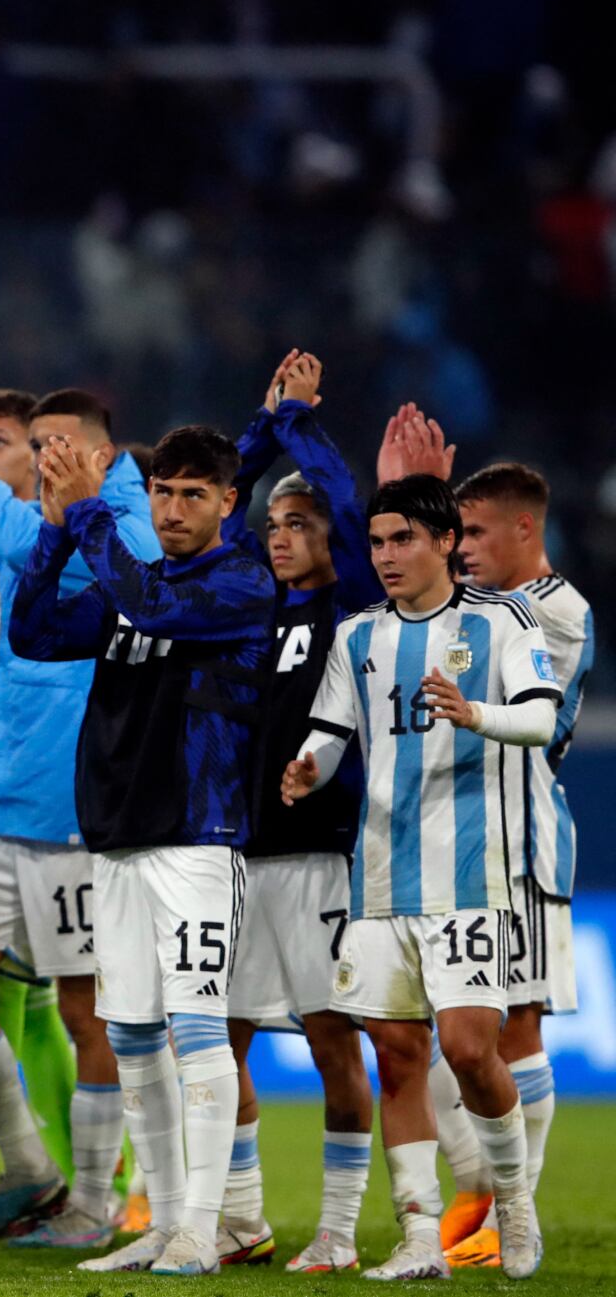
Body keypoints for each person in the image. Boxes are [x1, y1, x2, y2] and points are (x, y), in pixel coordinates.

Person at [11, 424, 275, 1275]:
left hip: (197, 838)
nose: (172, 509)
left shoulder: (240, 580)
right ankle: (163, 1222)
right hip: (117, 840)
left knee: (197, 1030)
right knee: (129, 1034)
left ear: (230, 502)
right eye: (162, 491)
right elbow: (37, 631)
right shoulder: (139, 582)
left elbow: (158, 611)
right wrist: (55, 527)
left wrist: (91, 512)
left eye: (194, 494)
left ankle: (205, 1225)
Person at [283, 473, 558, 1281]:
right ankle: (418, 1236)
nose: (387, 555)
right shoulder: (359, 635)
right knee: (398, 1056)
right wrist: (309, 764)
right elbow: (332, 728)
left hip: (470, 876)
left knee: (470, 1048)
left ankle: (514, 1202)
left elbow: (541, 717)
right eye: (376, 542)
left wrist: (477, 714)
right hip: (378, 880)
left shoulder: (503, 620)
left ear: (444, 541)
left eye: (403, 538)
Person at [0, 367, 160, 1249]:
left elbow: (19, 532)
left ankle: (97, 1201)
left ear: (96, 453)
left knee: (89, 1012)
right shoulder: (36, 528)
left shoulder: (129, 521)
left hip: (73, 813)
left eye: (55, 447)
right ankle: (31, 1165)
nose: (42, 463)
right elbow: (1, 532)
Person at [212, 351, 383, 1271]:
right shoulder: (257, 608)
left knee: (329, 1042)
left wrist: (300, 427)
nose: (280, 536)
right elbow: (219, 507)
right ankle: (241, 1219)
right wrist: (261, 421)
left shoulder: (353, 607)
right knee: (220, 1036)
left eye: (300, 523)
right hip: (245, 852)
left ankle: (341, 1231)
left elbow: (349, 508)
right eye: (275, 522)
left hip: (320, 852)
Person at [437, 463, 589, 1269]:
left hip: (522, 842)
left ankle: (510, 1211)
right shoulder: (477, 607)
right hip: (448, 841)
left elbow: (530, 721)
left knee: (516, 1025)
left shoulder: (559, 612)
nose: (458, 550)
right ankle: (482, 1189)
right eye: (452, 533)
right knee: (442, 1035)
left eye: (473, 532)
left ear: (525, 529)